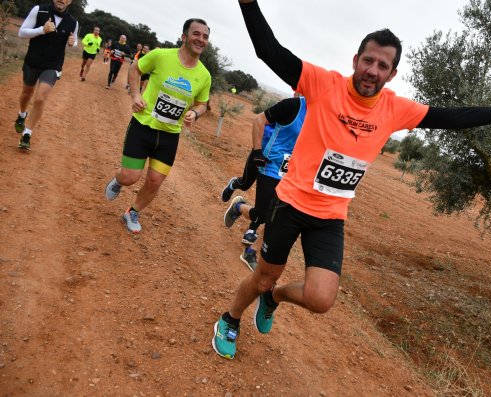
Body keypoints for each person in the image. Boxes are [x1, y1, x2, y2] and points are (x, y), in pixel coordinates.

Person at [211, 0, 491, 360]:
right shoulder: (323, 84)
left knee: (320, 299)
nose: (372, 70)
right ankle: (231, 318)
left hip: (330, 217)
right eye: (368, 60)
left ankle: (274, 299)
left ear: (392, 74)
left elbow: (453, 117)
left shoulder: (395, 109)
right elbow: (268, 50)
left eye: (383, 65)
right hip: (289, 205)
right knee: (263, 277)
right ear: (355, 60)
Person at [103, 19, 211, 233]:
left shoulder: (204, 75)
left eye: (205, 36)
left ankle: (132, 212)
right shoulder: (161, 55)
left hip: (170, 135)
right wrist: (135, 94)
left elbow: (203, 104)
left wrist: (194, 113)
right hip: (143, 125)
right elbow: (135, 69)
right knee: (130, 177)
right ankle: (118, 180)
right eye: (196, 34)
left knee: (154, 181)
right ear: (184, 37)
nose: (200, 39)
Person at [222, 95, 306, 272]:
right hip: (269, 163)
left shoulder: (323, 115)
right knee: (254, 199)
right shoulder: (293, 106)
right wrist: (257, 151)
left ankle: (251, 251)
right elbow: (259, 120)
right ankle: (239, 206)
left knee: (278, 215)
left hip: (291, 170)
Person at [13, 0, 78, 151]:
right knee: (26, 94)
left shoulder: (73, 22)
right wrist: (42, 29)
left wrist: (72, 43)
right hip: (32, 61)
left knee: (40, 97)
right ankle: (22, 115)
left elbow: (73, 41)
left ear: (70, 1)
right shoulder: (39, 10)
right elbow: (21, 32)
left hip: (52, 65)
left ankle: (27, 134)